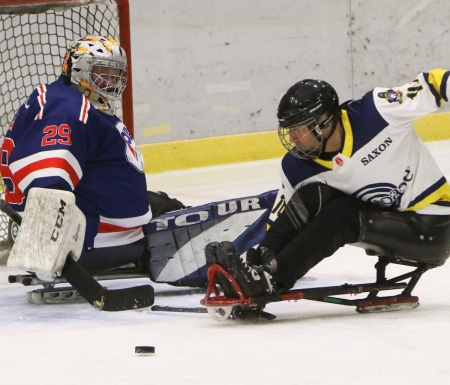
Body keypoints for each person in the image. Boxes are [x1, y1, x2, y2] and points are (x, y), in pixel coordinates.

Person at [209, 72, 450, 298]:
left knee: (342, 214)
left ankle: (274, 281)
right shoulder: (296, 167)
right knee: (313, 195)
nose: (292, 138)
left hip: (434, 225)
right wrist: (259, 254)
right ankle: (259, 272)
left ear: (324, 121)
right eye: (288, 130)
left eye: (298, 128)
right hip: (387, 218)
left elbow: (434, 83)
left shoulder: (377, 111)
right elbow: (281, 219)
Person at [0, 35, 184, 277]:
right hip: (94, 241)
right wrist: (45, 253)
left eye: (115, 74)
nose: (111, 81)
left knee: (168, 207)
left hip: (96, 219)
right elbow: (47, 183)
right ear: (77, 69)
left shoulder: (66, 99)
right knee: (185, 232)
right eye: (103, 73)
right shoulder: (68, 109)